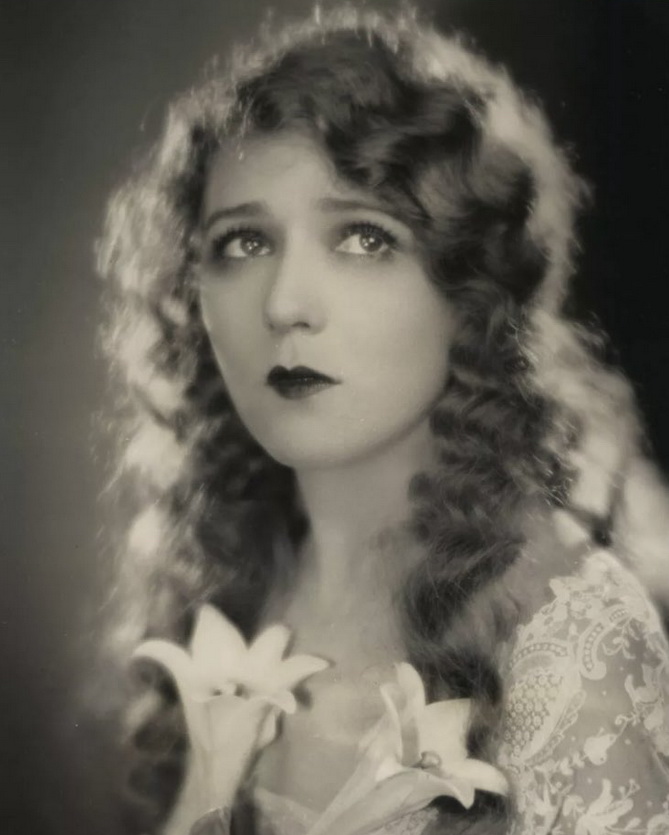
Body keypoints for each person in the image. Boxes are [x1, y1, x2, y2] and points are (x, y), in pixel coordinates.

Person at [97, 7, 669, 835]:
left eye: (364, 237)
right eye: (243, 243)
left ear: (467, 295)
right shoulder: (222, 586)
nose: (285, 304)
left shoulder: (569, 648)